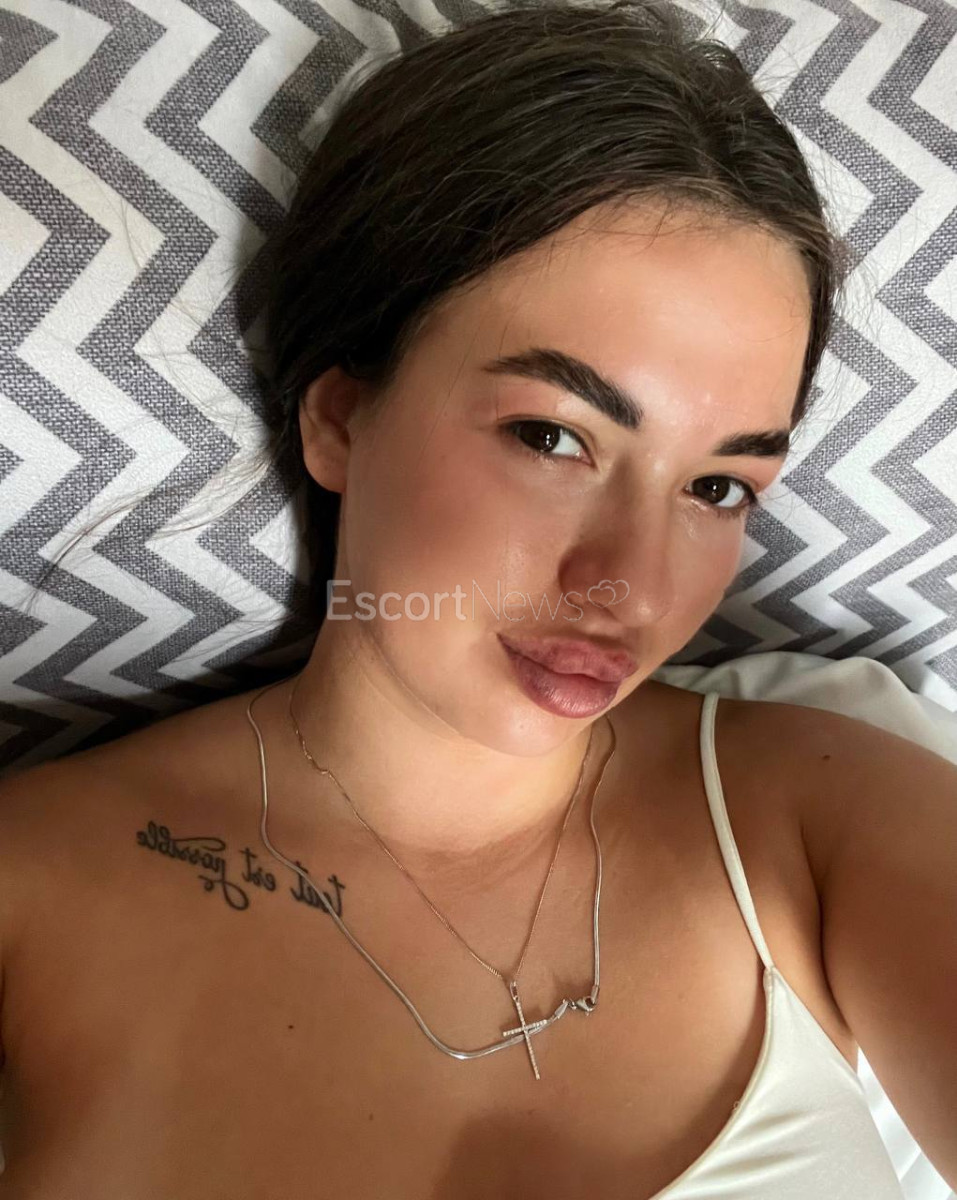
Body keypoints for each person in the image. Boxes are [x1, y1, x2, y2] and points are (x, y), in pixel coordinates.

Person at [0, 1, 954, 1196]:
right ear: (341, 416)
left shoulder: (828, 815)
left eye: (718, 486)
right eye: (553, 436)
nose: (629, 585)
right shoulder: (32, 887)